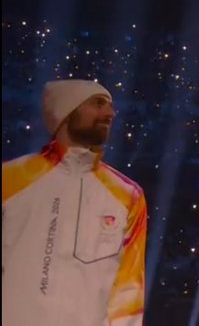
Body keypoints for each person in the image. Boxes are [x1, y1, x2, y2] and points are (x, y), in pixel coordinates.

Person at [1, 79, 147, 325]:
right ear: (67, 111)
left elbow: (128, 290)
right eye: (98, 104)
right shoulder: (11, 179)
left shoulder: (128, 195)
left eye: (110, 106)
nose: (110, 113)